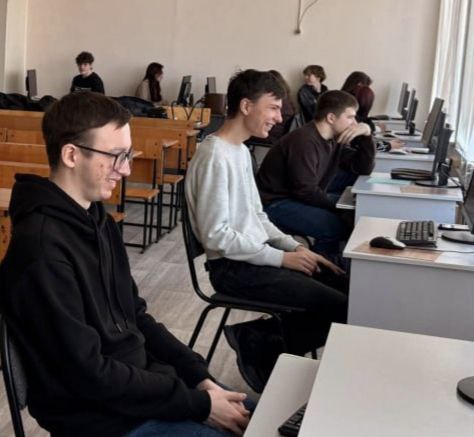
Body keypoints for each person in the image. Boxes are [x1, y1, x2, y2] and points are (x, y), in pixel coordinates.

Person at [0, 92, 251, 437]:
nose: (127, 169)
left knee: (269, 416)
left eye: (128, 155)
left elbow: (136, 316)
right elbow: (89, 375)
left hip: (139, 393)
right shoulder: (41, 250)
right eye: (116, 156)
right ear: (71, 155)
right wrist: (197, 404)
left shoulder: (97, 220)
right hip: (103, 421)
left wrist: (198, 377)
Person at [185, 69, 348, 393]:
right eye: (273, 108)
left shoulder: (240, 151)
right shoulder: (215, 155)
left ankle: (261, 338)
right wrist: (280, 259)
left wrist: (294, 247)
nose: (279, 117)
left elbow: (257, 216)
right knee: (342, 307)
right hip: (232, 268)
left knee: (348, 286)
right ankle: (261, 341)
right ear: (246, 106)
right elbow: (216, 236)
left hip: (253, 257)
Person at [256, 90, 375, 261]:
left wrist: (366, 134)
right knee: (335, 227)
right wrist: (340, 208)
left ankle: (332, 264)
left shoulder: (333, 139)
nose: (355, 123)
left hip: (296, 196)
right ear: (331, 118)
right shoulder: (304, 141)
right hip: (275, 203)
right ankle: (322, 269)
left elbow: (361, 168)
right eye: (350, 117)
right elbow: (305, 191)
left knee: (355, 210)